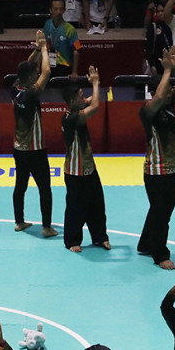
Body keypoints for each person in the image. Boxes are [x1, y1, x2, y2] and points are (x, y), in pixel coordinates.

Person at [138, 47, 175, 270]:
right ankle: (160, 254)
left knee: (158, 209)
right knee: (162, 213)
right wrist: (167, 70)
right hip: (157, 171)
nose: (172, 92)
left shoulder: (170, 105)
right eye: (169, 88)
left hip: (171, 169)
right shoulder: (148, 110)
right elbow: (159, 95)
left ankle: (146, 243)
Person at [10, 31, 58, 237]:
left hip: (18, 147)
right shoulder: (31, 93)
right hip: (35, 149)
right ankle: (47, 227)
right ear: (30, 78)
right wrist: (45, 48)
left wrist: (37, 50)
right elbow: (47, 72)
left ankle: (19, 222)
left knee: (20, 185)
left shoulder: (15, 87)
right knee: (44, 188)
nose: (37, 74)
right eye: (34, 75)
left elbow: (30, 65)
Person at [62, 66, 110, 253]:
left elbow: (94, 100)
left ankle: (99, 237)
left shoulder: (77, 107)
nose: (85, 98)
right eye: (81, 95)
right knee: (75, 208)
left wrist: (96, 86)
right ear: (73, 101)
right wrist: (96, 83)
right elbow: (96, 106)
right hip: (75, 171)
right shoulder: (71, 118)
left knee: (97, 204)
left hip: (89, 168)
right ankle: (72, 240)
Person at [43, 0, 82, 78]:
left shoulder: (70, 29)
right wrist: (38, 67)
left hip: (65, 67)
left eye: (61, 9)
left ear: (64, 10)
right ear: (51, 10)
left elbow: (77, 49)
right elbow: (43, 46)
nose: (58, 12)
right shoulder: (47, 25)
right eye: (56, 9)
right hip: (49, 65)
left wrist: (74, 72)